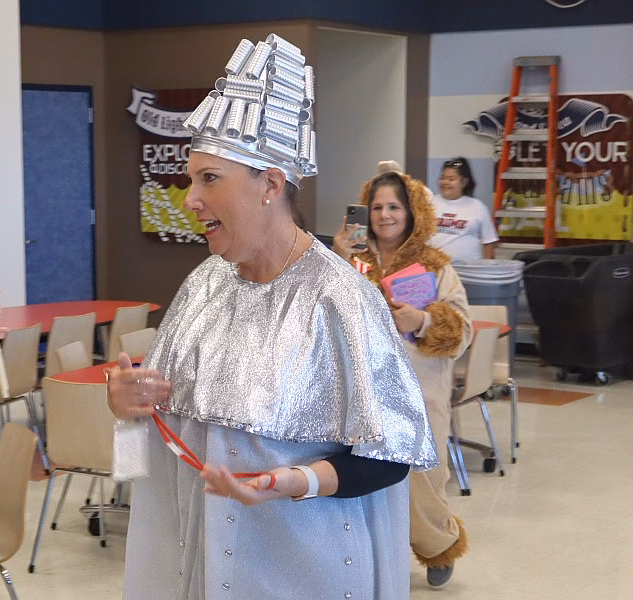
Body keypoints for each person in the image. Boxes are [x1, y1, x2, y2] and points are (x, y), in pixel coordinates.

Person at [106, 35, 437, 600]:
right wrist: (127, 406)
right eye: (191, 179)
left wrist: (296, 482)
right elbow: (154, 442)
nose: (190, 198)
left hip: (311, 566)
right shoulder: (203, 286)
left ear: (270, 184)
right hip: (205, 564)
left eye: (210, 179)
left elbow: (389, 461)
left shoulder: (342, 298)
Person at [333, 169, 472, 588]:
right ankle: (369, 551)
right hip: (362, 388)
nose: (384, 215)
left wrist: (424, 320)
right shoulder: (352, 260)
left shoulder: (436, 266)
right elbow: (323, 309)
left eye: (394, 206)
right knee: (361, 470)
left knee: (423, 477)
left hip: (420, 388)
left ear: (412, 213)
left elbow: (462, 329)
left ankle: (437, 544)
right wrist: (339, 258)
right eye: (376, 207)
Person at [430, 157, 498, 260]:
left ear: (464, 182)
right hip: (434, 269)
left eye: (451, 179)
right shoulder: (428, 203)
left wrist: (487, 267)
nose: (445, 182)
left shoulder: (478, 207)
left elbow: (489, 241)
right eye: (442, 178)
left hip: (468, 271)